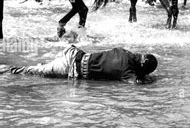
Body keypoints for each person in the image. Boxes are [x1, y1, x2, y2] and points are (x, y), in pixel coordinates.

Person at [6, 41, 157, 83]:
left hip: (73, 52)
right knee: (30, 71)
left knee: (39, 70)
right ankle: (6, 69)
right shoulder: (127, 73)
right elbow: (136, 84)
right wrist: (151, 80)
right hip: (70, 68)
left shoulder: (124, 52)